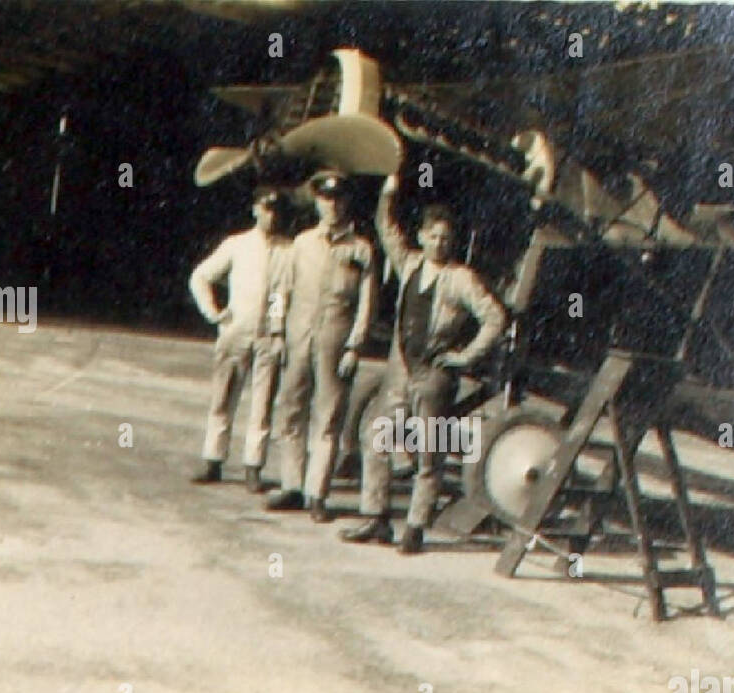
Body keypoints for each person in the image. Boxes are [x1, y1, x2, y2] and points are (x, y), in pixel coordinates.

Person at [341, 174, 506, 553]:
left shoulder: (461, 278)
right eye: (433, 236)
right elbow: (386, 230)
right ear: (422, 237)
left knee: (428, 452)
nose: (439, 243)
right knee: (376, 438)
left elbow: (495, 318)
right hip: (401, 369)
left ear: (453, 242)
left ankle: (415, 527)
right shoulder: (410, 264)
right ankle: (376, 517)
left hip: (434, 375)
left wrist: (465, 356)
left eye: (446, 238)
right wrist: (388, 192)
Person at [267, 170, 377, 523]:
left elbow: (366, 304)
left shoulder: (361, 250)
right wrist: (276, 333)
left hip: (336, 339)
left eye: (339, 199)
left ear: (347, 203)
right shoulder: (301, 244)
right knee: (290, 409)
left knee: (328, 416)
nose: (332, 205)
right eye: (326, 198)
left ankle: (317, 493)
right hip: (298, 335)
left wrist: (355, 347)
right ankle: (292, 484)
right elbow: (281, 291)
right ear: (317, 201)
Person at [188, 186, 292, 493]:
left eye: (275, 210)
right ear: (255, 210)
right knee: (223, 397)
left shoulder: (288, 250)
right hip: (236, 330)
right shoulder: (238, 245)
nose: (271, 215)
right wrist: (215, 313)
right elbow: (201, 276)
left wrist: (277, 330)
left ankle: (253, 467)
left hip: (267, 336)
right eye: (265, 208)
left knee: (262, 403)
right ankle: (213, 459)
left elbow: (280, 294)